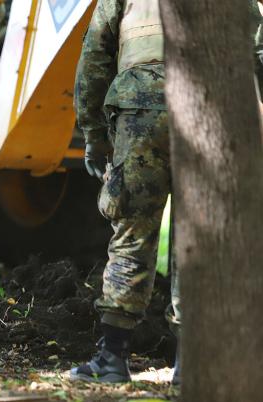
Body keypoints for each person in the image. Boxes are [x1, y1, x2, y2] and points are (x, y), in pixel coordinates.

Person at [71, 0, 262, 384]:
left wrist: (93, 136)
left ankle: (112, 359)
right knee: (201, 234)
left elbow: (94, 55)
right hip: (213, 105)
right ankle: (190, 365)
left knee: (132, 229)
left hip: (141, 105)